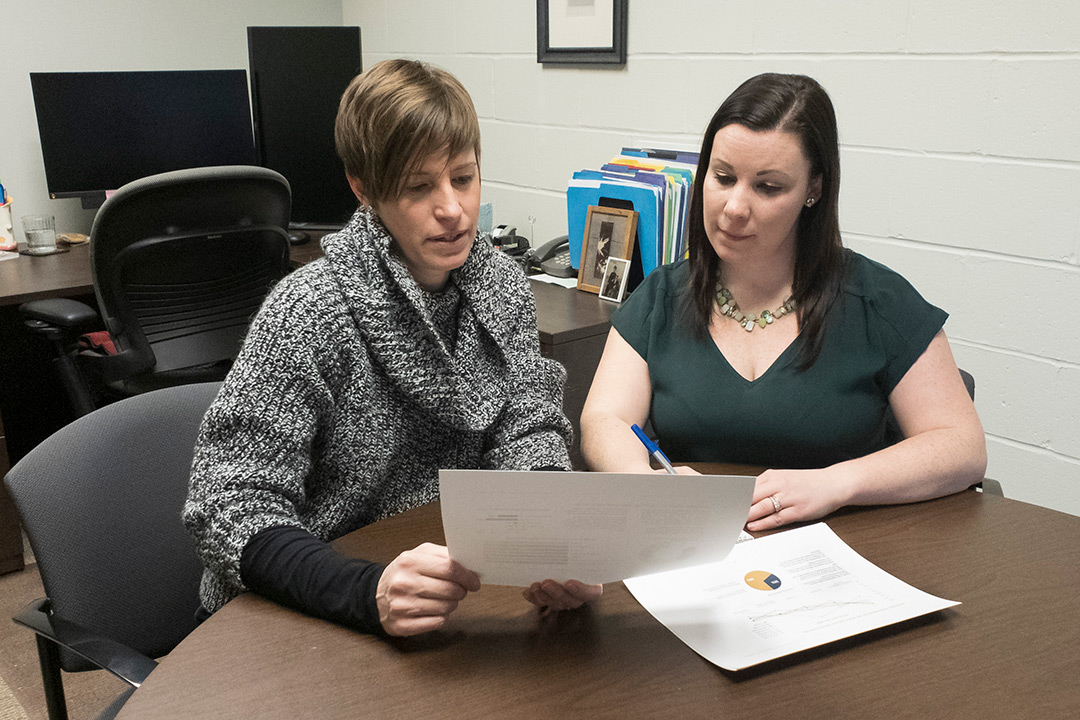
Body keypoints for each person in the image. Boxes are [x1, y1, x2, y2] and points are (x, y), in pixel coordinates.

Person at [184, 59, 600, 638]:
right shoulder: (310, 310)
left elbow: (526, 428)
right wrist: (364, 591)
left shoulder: (501, 285)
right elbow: (227, 505)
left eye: (463, 177)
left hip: (440, 593)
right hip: (303, 605)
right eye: (418, 186)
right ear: (365, 190)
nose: (452, 208)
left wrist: (550, 538)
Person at [580, 73, 986, 533]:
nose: (734, 206)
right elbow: (604, 417)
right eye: (723, 177)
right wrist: (641, 479)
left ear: (813, 189)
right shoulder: (663, 295)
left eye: (768, 187)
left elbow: (962, 446)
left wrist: (837, 483)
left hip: (847, 552)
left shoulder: (876, 300)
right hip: (697, 545)